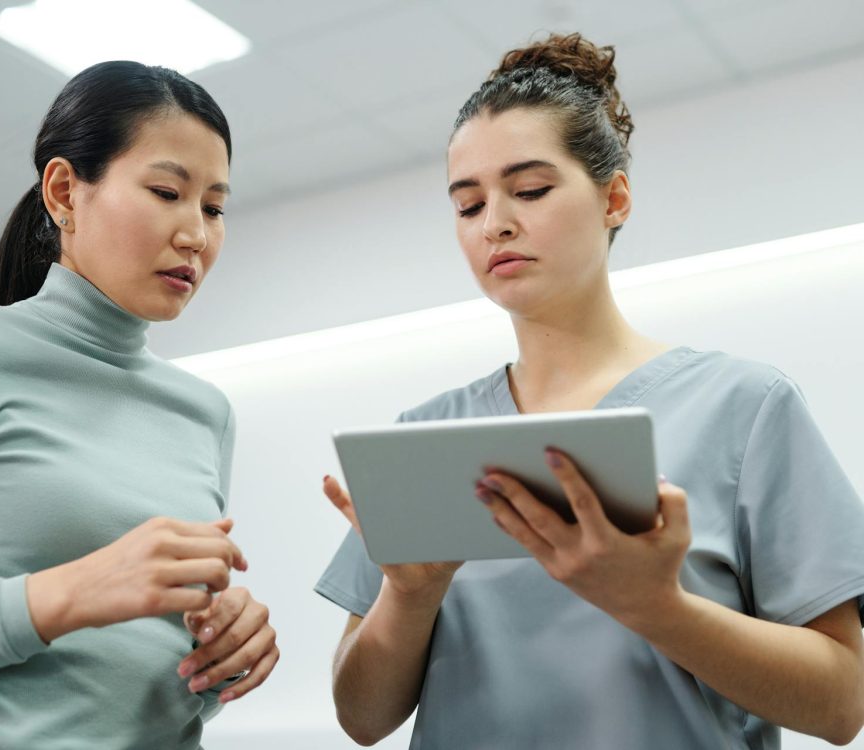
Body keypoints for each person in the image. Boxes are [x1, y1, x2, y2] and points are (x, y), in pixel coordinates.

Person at [316, 33, 864, 749]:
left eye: (531, 190)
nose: (496, 224)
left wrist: (657, 607)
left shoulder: (745, 408)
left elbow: (842, 705)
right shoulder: (425, 436)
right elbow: (361, 719)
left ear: (615, 197)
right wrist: (409, 597)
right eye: (467, 204)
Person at [0, 61, 278, 748]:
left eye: (215, 206)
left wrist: (218, 662)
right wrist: (65, 595)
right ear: (65, 191)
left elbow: (117, 686)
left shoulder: (206, 412)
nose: (196, 233)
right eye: (168, 191)